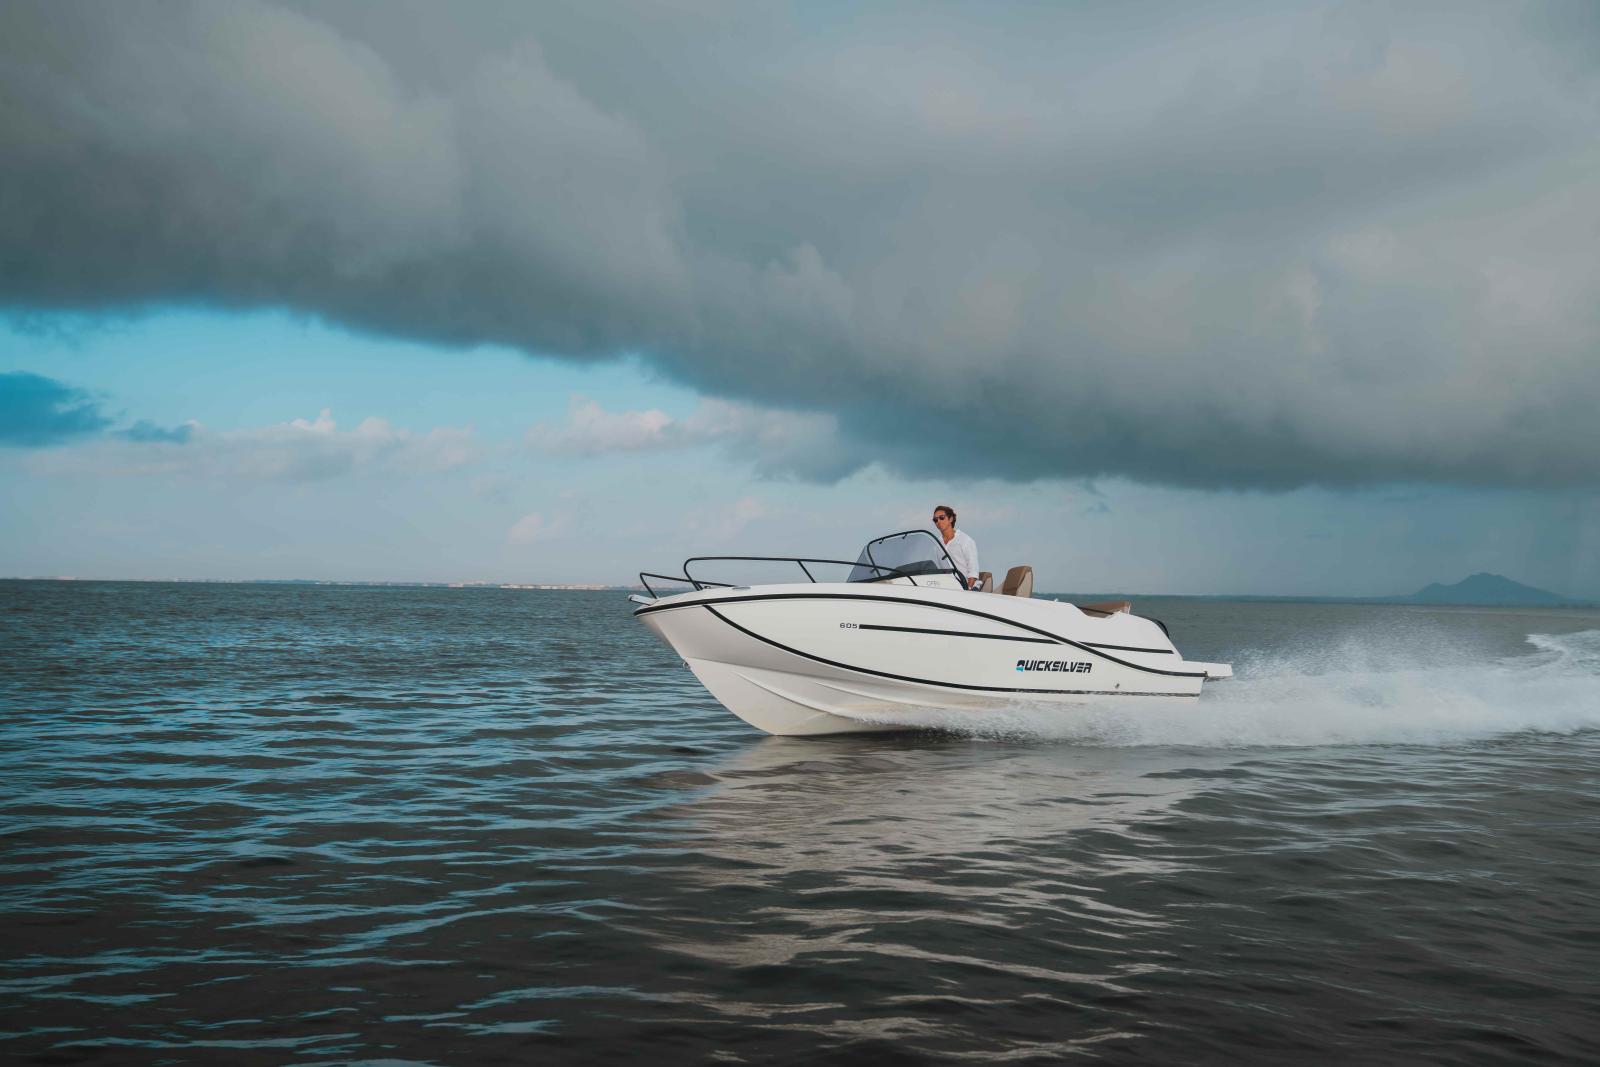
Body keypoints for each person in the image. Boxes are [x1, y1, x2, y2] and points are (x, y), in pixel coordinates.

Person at [932, 505, 980, 589]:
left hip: (968, 587)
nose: (938, 521)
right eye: (935, 520)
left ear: (950, 519)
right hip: (949, 587)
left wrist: (967, 590)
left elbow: (973, 571)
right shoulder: (937, 544)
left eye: (942, 517)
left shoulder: (965, 540)